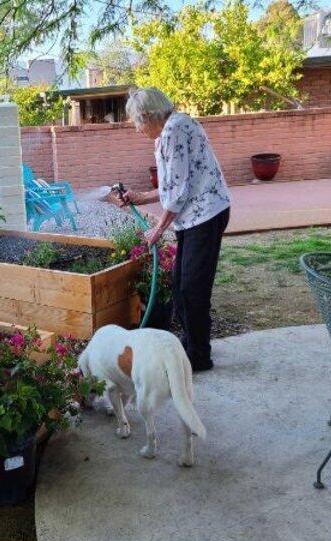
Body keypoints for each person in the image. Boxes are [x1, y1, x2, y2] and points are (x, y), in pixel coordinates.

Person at [112, 87, 230, 371]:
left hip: (205, 215)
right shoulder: (173, 128)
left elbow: (177, 191)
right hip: (193, 216)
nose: (138, 129)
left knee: (192, 289)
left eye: (137, 122)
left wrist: (158, 229)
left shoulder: (174, 131)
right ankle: (191, 345)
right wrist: (140, 197)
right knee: (180, 286)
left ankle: (199, 355)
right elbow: (173, 187)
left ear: (149, 115)